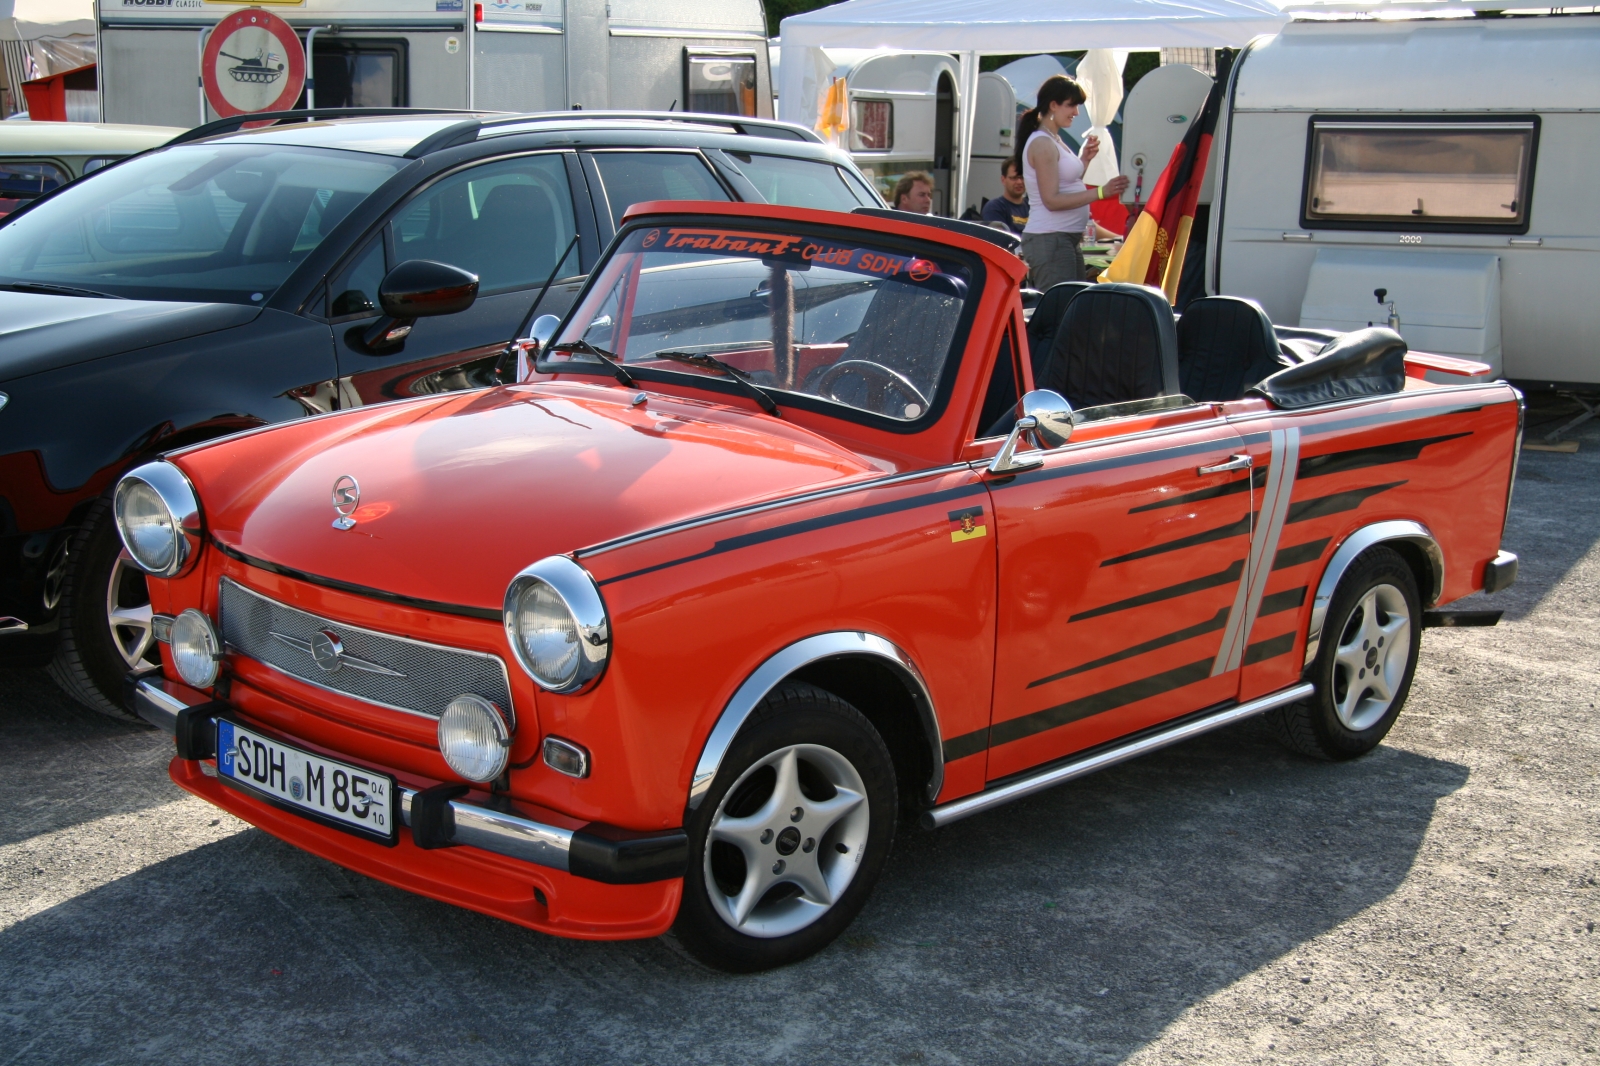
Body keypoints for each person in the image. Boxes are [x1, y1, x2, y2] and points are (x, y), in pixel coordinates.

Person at [1015, 74, 1130, 291]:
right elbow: (1052, 200)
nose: (1076, 112)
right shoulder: (1042, 142)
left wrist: (1084, 160)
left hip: (1062, 239)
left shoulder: (1052, 138)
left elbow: (1066, 183)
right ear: (1053, 105)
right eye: (1072, 106)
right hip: (1051, 239)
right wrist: (1102, 192)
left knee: (1071, 307)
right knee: (1060, 311)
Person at [981, 158, 1029, 235]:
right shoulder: (994, 207)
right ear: (1003, 180)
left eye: (1022, 177)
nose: (1019, 182)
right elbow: (999, 238)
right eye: (1014, 178)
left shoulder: (1032, 206)